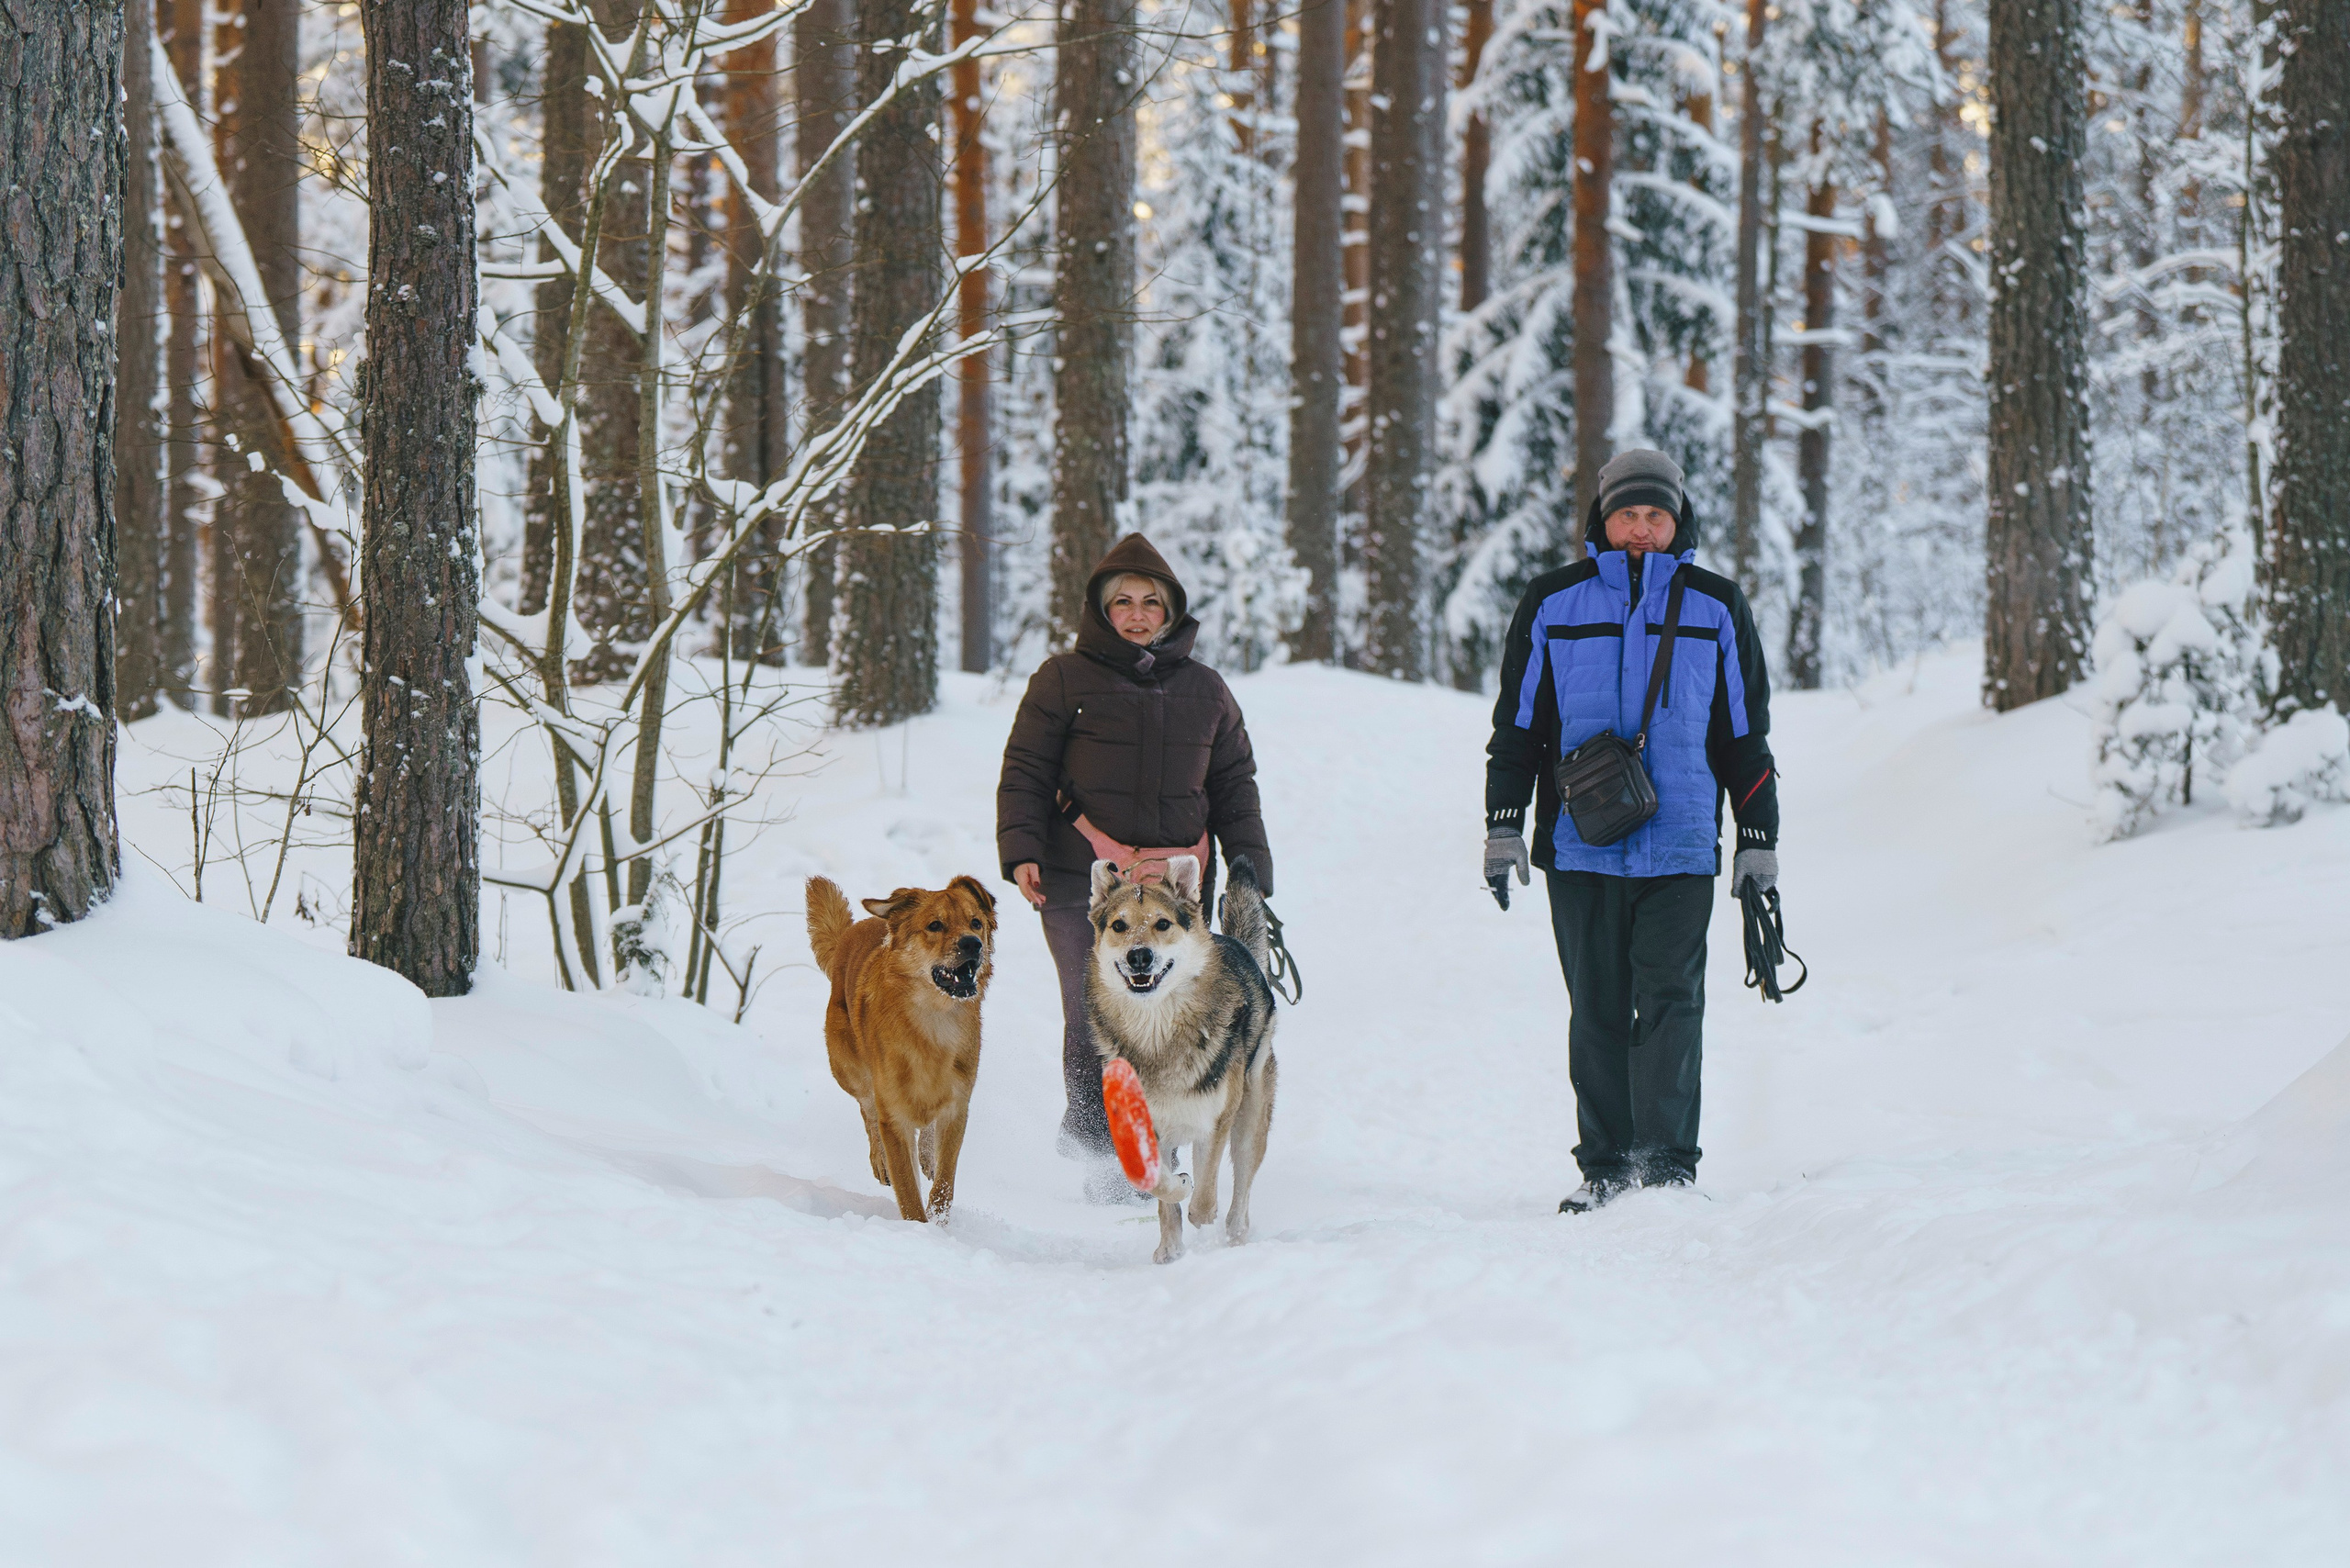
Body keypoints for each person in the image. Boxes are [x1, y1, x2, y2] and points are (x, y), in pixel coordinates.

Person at [1483, 450, 1779, 1214]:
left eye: (1656, 516)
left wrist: (1758, 836)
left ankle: (1668, 1166)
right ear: (1601, 521)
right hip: (1581, 845)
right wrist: (1503, 823)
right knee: (1599, 1007)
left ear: (1678, 522)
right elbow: (1517, 726)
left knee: (1674, 1002)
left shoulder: (1717, 606)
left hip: (1679, 844)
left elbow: (1745, 737)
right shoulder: (1553, 602)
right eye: (1627, 515)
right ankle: (1607, 1166)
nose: (1641, 531)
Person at [997, 533, 1275, 1199]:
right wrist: (1022, 851)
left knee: (1181, 1014)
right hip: (1080, 882)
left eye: (1151, 600)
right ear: (1101, 609)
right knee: (1095, 1014)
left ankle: (1167, 1151)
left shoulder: (1206, 689)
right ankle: (1106, 1158)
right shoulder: (1062, 679)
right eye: (1122, 600)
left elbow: (1235, 783)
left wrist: (1249, 870)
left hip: (1178, 890)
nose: (1138, 612)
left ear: (1172, 609)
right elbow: (1026, 769)